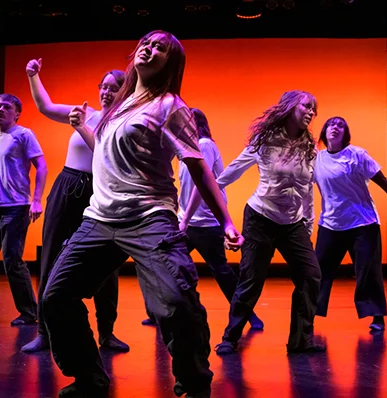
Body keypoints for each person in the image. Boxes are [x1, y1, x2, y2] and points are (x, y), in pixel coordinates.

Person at [42, 30, 243, 396]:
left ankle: (195, 380)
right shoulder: (117, 106)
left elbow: (199, 168)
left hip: (150, 217)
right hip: (99, 219)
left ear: (171, 63)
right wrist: (83, 126)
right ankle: (89, 379)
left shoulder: (170, 107)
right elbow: (103, 150)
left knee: (177, 304)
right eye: (145, 44)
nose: (149, 49)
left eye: (160, 48)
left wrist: (226, 220)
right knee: (55, 298)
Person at [21, 59, 129, 354]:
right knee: (51, 255)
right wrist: (34, 75)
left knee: (106, 263)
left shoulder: (122, 123)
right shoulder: (88, 113)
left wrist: (81, 128)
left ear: (124, 92)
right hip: (68, 186)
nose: (106, 92)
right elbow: (45, 106)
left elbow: (105, 155)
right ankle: (45, 332)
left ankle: (107, 333)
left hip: (100, 191)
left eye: (113, 88)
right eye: (103, 87)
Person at [216, 90, 326, 354]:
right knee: (251, 280)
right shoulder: (265, 140)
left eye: (314, 109)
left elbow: (308, 189)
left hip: (292, 223)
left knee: (311, 276)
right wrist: (214, 199)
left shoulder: (310, 147)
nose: (311, 113)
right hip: (260, 217)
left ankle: (301, 340)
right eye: (307, 107)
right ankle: (230, 337)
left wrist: (308, 225)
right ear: (289, 107)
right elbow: (231, 172)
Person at [310, 116, 387, 332]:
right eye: (331, 124)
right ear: (324, 132)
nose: (335, 128)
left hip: (362, 223)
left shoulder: (356, 155)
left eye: (340, 125)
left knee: (367, 271)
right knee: (319, 271)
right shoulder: (316, 159)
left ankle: (377, 318)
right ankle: (309, 315)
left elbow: (383, 181)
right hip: (330, 224)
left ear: (345, 134)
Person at [175, 109, 250, 335]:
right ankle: (164, 312)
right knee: (170, 265)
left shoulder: (204, 144)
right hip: (188, 220)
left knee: (221, 271)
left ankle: (246, 313)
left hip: (204, 222)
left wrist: (185, 219)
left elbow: (202, 184)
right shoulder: (184, 149)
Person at [0, 93, 48, 328]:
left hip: (15, 207)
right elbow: (2, 172)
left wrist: (36, 200)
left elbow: (42, 166)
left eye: (6, 106)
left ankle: (28, 312)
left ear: (17, 113)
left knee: (12, 260)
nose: (0, 109)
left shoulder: (24, 134)